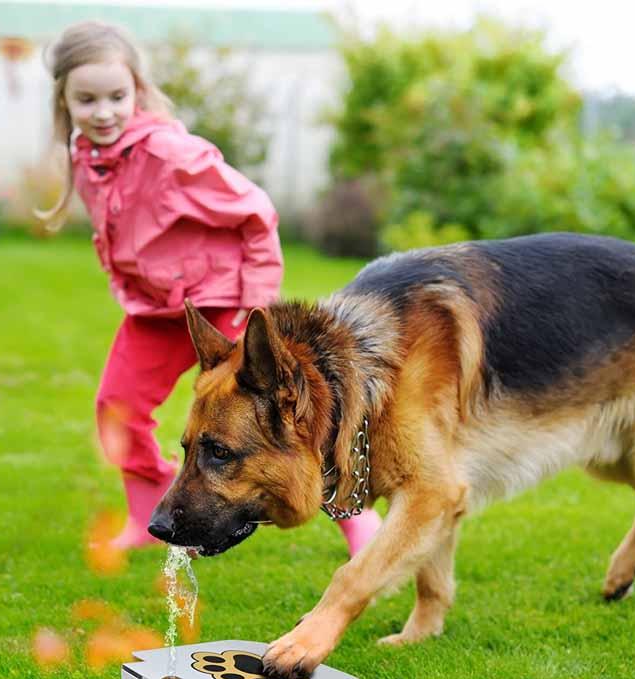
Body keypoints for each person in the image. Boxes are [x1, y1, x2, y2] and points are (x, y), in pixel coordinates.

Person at [39, 20, 381, 555]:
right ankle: (149, 509)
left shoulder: (173, 156)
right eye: (87, 99)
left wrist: (257, 301)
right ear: (64, 100)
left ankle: (355, 518)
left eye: (116, 96)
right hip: (155, 311)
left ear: (138, 91)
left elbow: (257, 214)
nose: (103, 111)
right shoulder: (87, 158)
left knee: (290, 417)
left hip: (220, 304)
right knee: (116, 406)